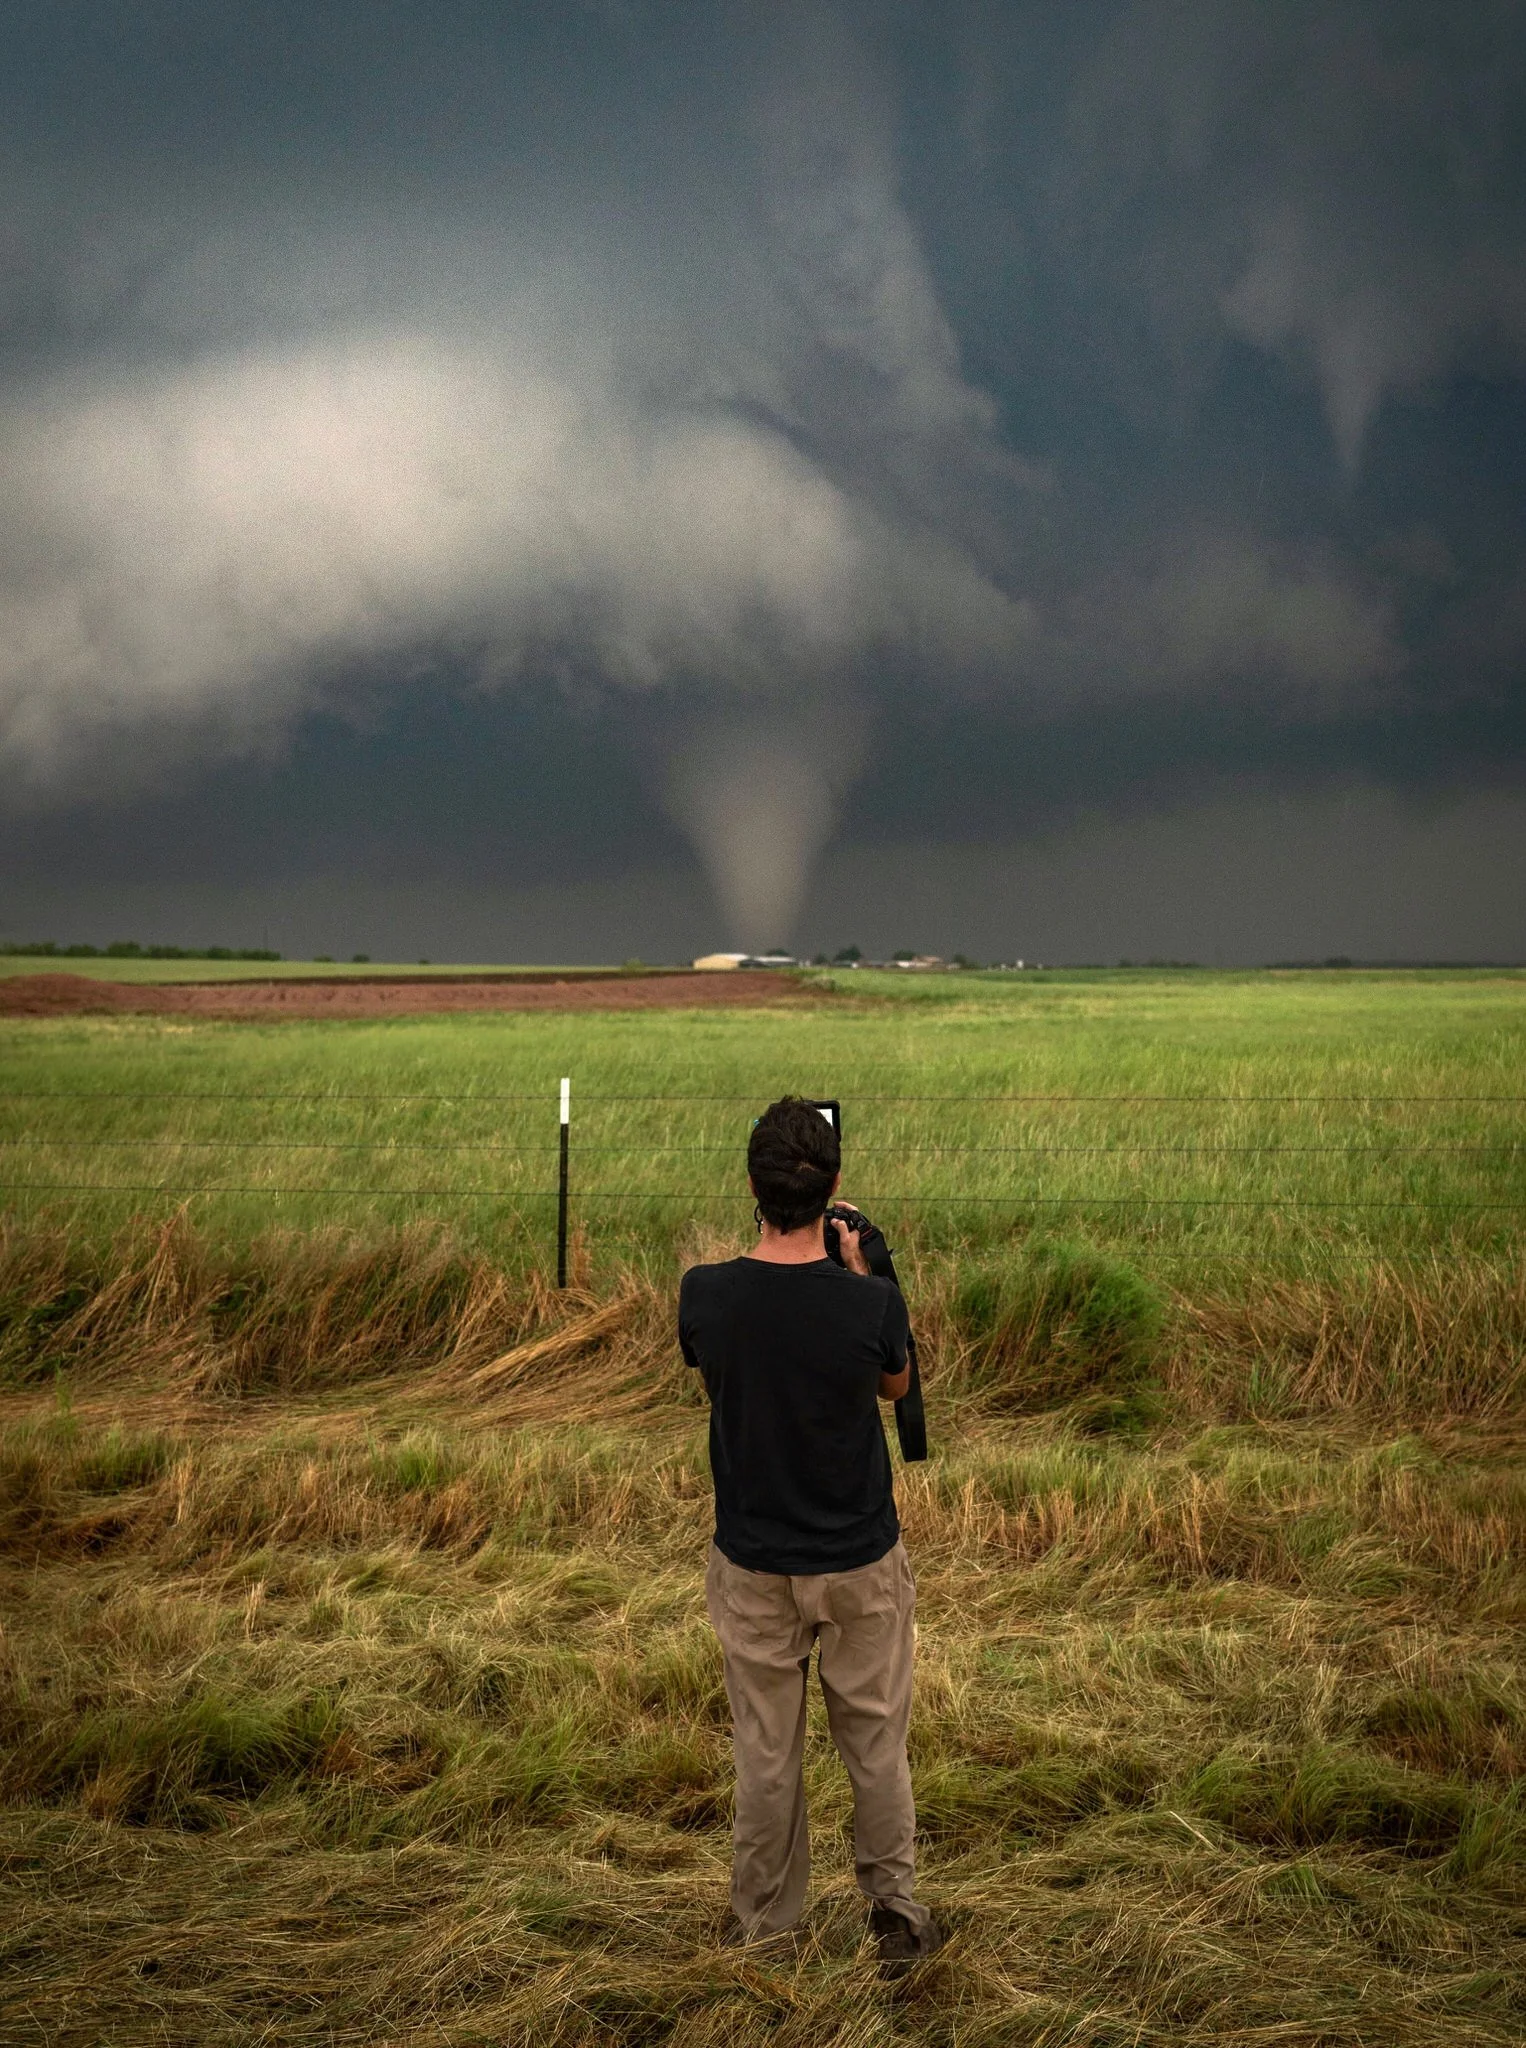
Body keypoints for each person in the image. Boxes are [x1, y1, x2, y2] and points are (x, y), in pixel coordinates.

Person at [678, 1095, 944, 1974]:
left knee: (765, 1756)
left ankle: (765, 1931)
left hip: (753, 1557)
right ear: (834, 1188)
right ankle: (896, 1916)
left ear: (750, 1188)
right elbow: (899, 1391)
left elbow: (723, 1361)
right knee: (875, 1743)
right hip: (861, 1557)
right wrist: (866, 1275)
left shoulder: (706, 1297)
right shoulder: (868, 1308)